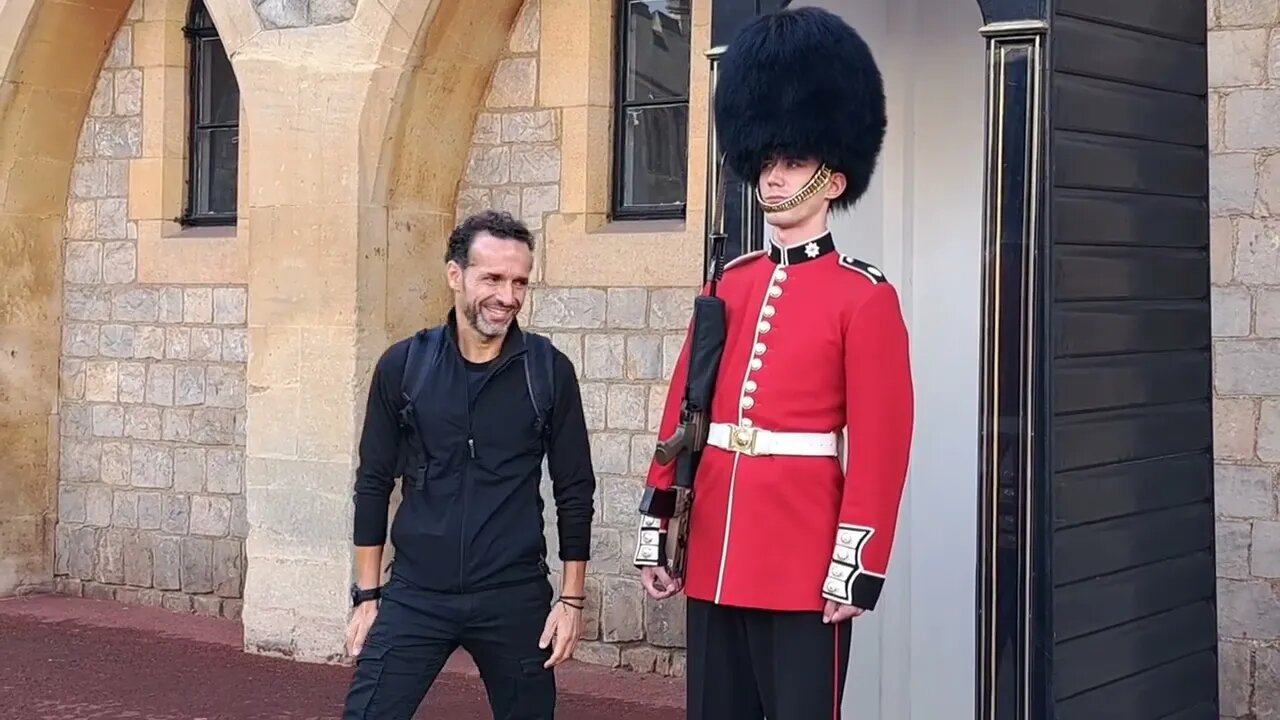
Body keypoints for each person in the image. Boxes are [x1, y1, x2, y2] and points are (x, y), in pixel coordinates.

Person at [632, 7, 915, 720]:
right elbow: (683, 415)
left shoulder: (865, 296)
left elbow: (882, 449)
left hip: (801, 556)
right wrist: (655, 524)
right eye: (766, 162)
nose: (774, 178)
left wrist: (854, 567)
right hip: (717, 547)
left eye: (792, 162)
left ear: (833, 178)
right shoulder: (730, 283)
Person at [341, 210, 597, 720]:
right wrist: (366, 595)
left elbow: (575, 490)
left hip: (514, 596)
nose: (508, 296)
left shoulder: (548, 372)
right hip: (417, 594)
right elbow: (372, 482)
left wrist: (571, 602)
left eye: (520, 281)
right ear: (455, 275)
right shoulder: (403, 366)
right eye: (493, 279)